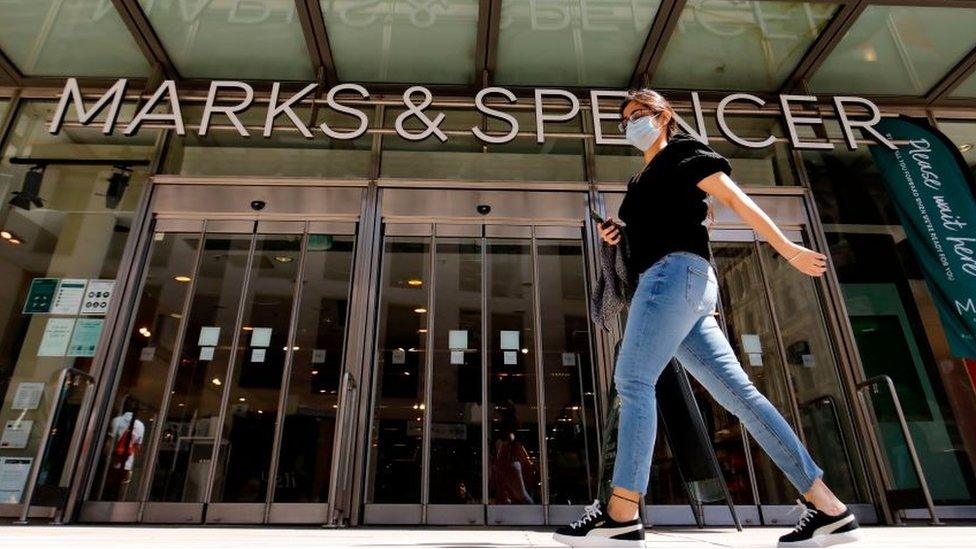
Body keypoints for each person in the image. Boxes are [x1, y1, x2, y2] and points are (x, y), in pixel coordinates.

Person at [553, 89, 859, 548]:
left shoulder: (683, 153)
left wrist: (787, 248)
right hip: (677, 285)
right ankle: (829, 508)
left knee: (634, 383)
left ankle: (620, 514)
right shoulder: (639, 182)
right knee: (742, 397)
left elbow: (736, 200)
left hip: (675, 277)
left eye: (642, 113)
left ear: (665, 116)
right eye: (626, 119)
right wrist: (618, 236)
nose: (634, 122)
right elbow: (649, 236)